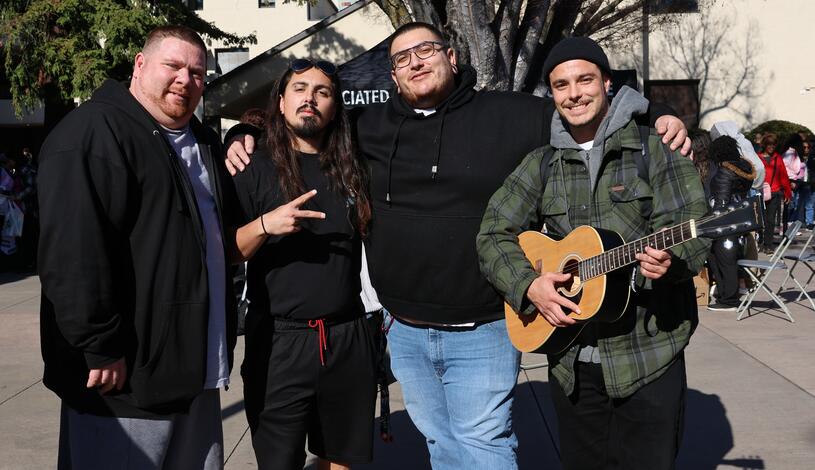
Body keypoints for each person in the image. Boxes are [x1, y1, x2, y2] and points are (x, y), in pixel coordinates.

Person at [224, 22, 690, 469]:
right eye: (402, 58)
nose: (415, 62)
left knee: (482, 440)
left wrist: (656, 114)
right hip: (404, 328)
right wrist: (242, 134)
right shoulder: (367, 126)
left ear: (451, 56)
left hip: (482, 326)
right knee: (440, 441)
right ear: (393, 75)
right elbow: (305, 121)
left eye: (426, 50)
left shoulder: (511, 114)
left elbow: (583, 105)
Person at [476, 37, 709, 470]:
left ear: (606, 83)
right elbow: (492, 233)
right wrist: (529, 285)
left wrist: (671, 262)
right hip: (571, 364)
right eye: (561, 85)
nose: (574, 94)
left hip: (647, 355)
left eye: (584, 80)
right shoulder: (541, 163)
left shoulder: (655, 147)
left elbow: (691, 224)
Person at [38, 25, 239, 470]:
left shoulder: (203, 141)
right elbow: (71, 254)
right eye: (174, 66)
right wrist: (100, 345)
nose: (186, 80)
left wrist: (247, 130)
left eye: (198, 73)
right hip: (123, 383)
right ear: (140, 65)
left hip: (195, 373)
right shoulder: (93, 132)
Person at [231, 59, 377, 470]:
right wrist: (265, 224)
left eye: (322, 92)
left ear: (334, 107)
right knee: (278, 461)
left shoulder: (354, 167)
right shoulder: (252, 165)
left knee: (342, 458)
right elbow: (225, 251)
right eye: (299, 89)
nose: (310, 98)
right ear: (280, 102)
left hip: (346, 335)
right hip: (279, 340)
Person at [705, 136, 756, 311]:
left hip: (725, 224)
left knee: (724, 260)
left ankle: (729, 300)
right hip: (740, 219)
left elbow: (721, 204)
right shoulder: (743, 168)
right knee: (729, 259)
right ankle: (727, 294)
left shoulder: (724, 172)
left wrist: (710, 221)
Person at [758, 133, 791, 253]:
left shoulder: (778, 158)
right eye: (769, 144)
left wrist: (787, 193)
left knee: (771, 221)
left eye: (774, 145)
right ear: (765, 145)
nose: (771, 147)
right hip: (759, 193)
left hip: (775, 193)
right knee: (759, 220)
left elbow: (784, 177)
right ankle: (759, 242)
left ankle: (768, 245)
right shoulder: (757, 158)